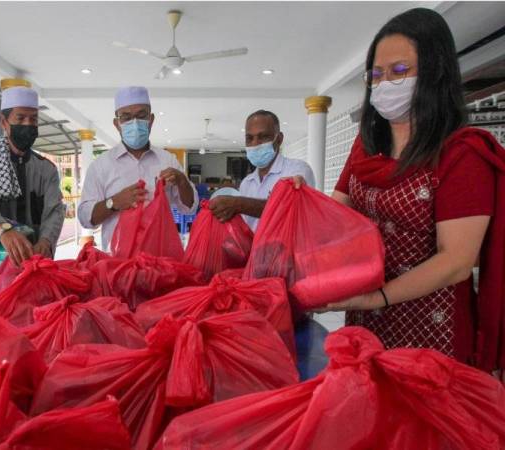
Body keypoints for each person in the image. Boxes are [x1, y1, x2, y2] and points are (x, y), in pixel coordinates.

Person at [301, 8, 505, 373]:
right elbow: (335, 217)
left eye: (399, 72)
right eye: (376, 75)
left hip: (433, 330)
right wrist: (299, 202)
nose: (384, 85)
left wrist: (377, 297)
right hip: (366, 320)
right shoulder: (366, 147)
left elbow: (456, 262)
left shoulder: (462, 154)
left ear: (434, 73)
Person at [78, 86, 198, 250]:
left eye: (141, 115)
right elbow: (85, 218)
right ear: (117, 124)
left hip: (160, 261)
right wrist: (114, 203)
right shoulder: (100, 166)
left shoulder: (168, 160)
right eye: (126, 117)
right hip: (117, 265)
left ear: (151, 119)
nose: (134, 123)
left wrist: (182, 181)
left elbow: (189, 208)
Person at [0, 86, 65, 266]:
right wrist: (2, 229)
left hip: (35, 259)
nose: (28, 124)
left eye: (33, 119)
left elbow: (55, 210)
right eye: (20, 118)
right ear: (4, 122)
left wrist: (46, 241)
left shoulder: (46, 169)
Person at [209, 110, 315, 231]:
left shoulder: (297, 170)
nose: (255, 144)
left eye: (263, 137)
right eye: (249, 138)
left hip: (291, 249)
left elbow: (289, 210)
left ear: (279, 139)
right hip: (253, 249)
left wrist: (237, 204)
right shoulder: (246, 183)